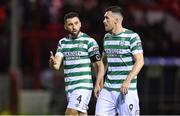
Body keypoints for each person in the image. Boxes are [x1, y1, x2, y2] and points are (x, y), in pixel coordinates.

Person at [49, 12, 104, 115]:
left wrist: (98, 84)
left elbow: (99, 65)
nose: (74, 27)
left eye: (76, 23)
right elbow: (56, 65)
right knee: (81, 113)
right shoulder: (63, 42)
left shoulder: (89, 41)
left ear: (80, 24)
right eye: (70, 24)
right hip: (70, 86)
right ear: (65, 26)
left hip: (83, 86)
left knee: (70, 112)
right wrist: (52, 62)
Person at [95, 6, 144, 116]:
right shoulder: (107, 37)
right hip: (108, 89)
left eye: (107, 18)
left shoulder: (132, 36)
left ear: (116, 20)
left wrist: (127, 80)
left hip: (126, 90)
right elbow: (104, 62)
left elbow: (140, 61)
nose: (104, 21)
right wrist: (99, 81)